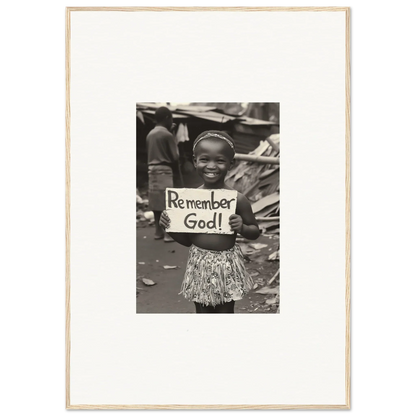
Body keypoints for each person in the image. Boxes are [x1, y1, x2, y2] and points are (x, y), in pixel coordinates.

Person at [159, 130, 260, 313]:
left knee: (225, 311)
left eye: (220, 161)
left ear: (231, 164)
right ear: (195, 160)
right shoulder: (188, 200)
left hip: (226, 266)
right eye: (205, 159)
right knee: (202, 311)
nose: (211, 166)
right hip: (199, 264)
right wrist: (169, 227)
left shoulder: (237, 199)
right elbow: (188, 240)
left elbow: (255, 231)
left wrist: (243, 227)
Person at [146, 106, 178, 242]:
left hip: (152, 170)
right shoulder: (167, 135)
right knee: (167, 202)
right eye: (171, 118)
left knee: (156, 201)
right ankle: (168, 233)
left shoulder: (150, 134)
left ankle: (158, 231)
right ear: (167, 118)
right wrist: (173, 135)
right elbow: (175, 156)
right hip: (165, 170)